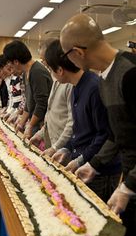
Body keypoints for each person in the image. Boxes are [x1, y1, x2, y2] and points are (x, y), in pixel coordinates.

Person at [60, 13, 136, 236]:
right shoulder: (104, 79)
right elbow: (116, 132)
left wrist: (128, 186)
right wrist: (94, 165)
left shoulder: (131, 74)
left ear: (78, 52)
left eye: (68, 56)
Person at [45, 39, 122, 203]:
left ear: (60, 70)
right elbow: (79, 129)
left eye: (50, 70)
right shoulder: (76, 85)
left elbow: (105, 135)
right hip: (85, 163)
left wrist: (80, 160)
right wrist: (66, 149)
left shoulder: (94, 88)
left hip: (101, 170)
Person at [30, 38, 73, 157]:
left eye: (44, 60)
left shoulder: (69, 82)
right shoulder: (56, 77)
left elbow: (71, 121)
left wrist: (56, 148)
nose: (44, 63)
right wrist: (40, 134)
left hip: (64, 148)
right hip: (53, 142)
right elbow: (51, 113)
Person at [3, 40, 53, 139]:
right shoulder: (26, 72)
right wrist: (21, 123)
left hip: (41, 123)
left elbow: (41, 104)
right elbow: (29, 102)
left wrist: (30, 127)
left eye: (10, 63)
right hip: (35, 121)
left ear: (16, 61)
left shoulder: (37, 71)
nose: (10, 66)